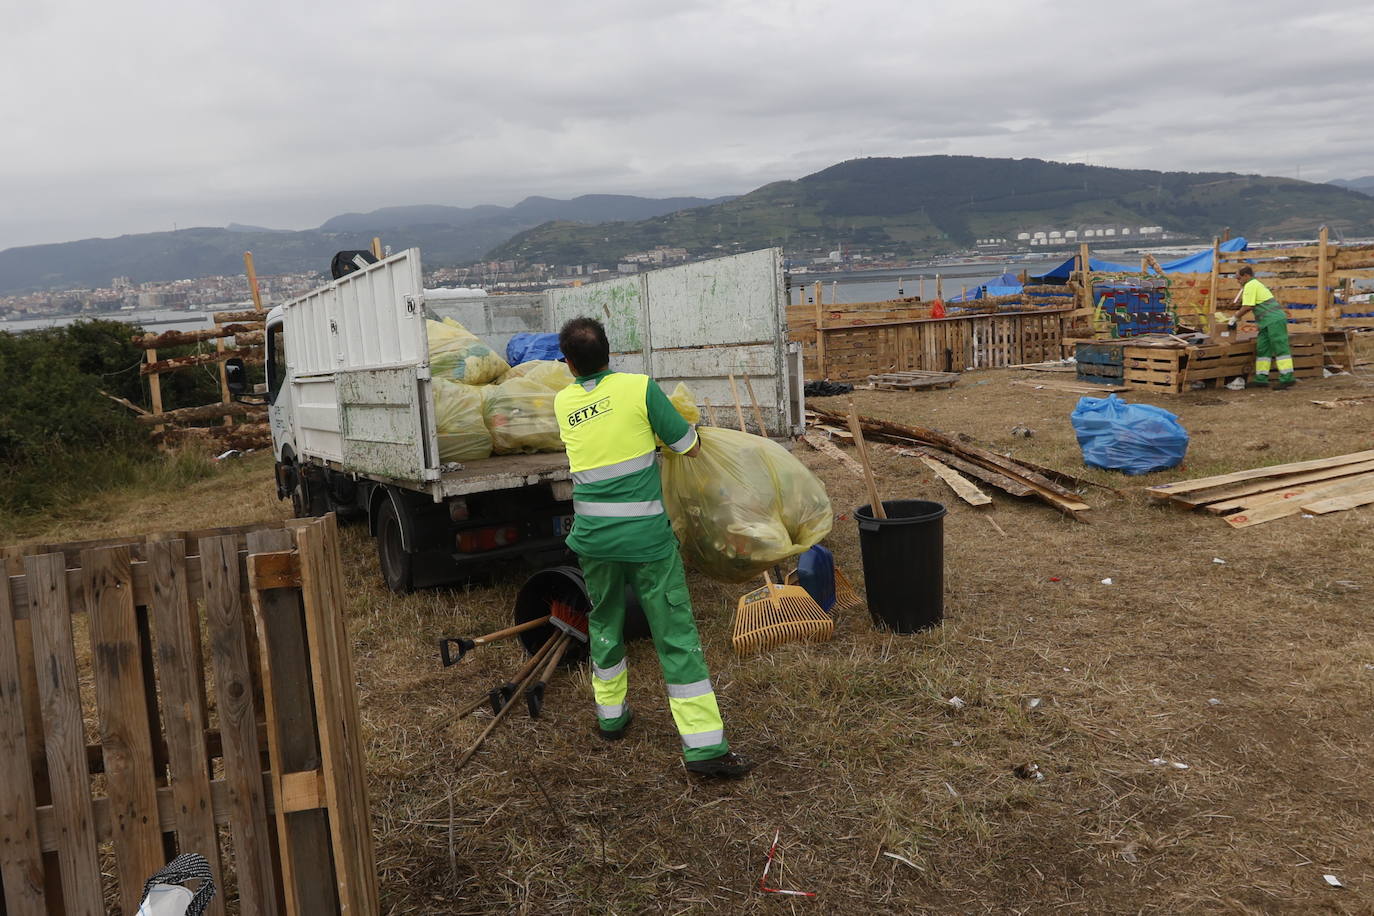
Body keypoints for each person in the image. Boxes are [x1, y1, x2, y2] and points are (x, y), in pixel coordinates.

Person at [553, 317, 753, 778]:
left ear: (568, 365)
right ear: (610, 351)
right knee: (675, 634)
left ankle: (611, 718)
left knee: (605, 621)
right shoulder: (639, 388)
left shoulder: (564, 403)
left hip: (593, 541)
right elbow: (690, 446)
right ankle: (704, 749)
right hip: (646, 540)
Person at [1230, 265, 1295, 389]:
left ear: (1246, 276)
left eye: (1239, 278)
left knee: (1280, 347)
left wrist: (1234, 318)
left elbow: (1248, 306)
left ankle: (1287, 378)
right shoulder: (1253, 285)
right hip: (1266, 322)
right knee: (1263, 348)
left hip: (1273, 320)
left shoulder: (1250, 285)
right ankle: (1261, 378)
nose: (1238, 281)